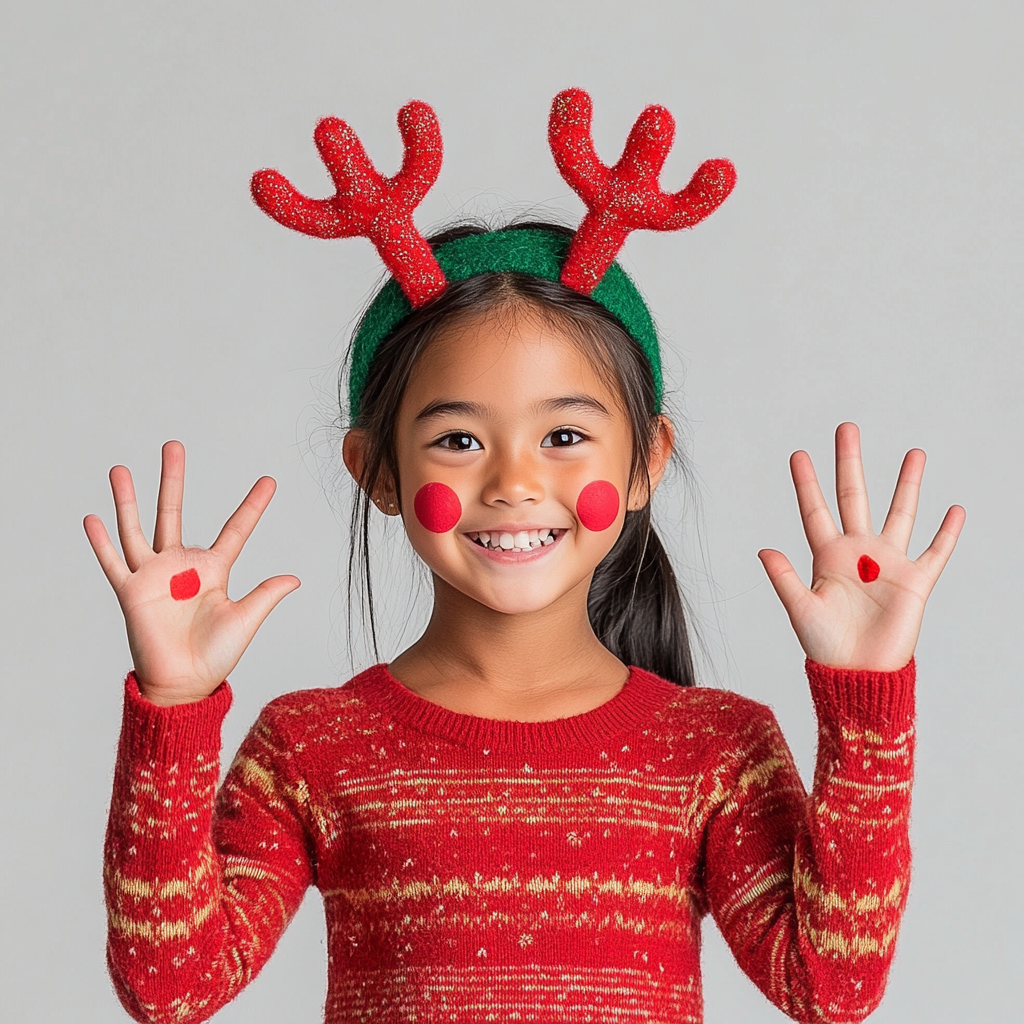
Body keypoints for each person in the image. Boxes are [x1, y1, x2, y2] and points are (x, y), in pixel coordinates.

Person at [85, 90, 964, 1024]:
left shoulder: (715, 749)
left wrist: (867, 698)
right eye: (458, 441)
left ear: (645, 461)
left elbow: (831, 985)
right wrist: (174, 708)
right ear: (375, 469)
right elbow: (169, 987)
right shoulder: (310, 748)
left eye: (565, 437)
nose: (513, 482)